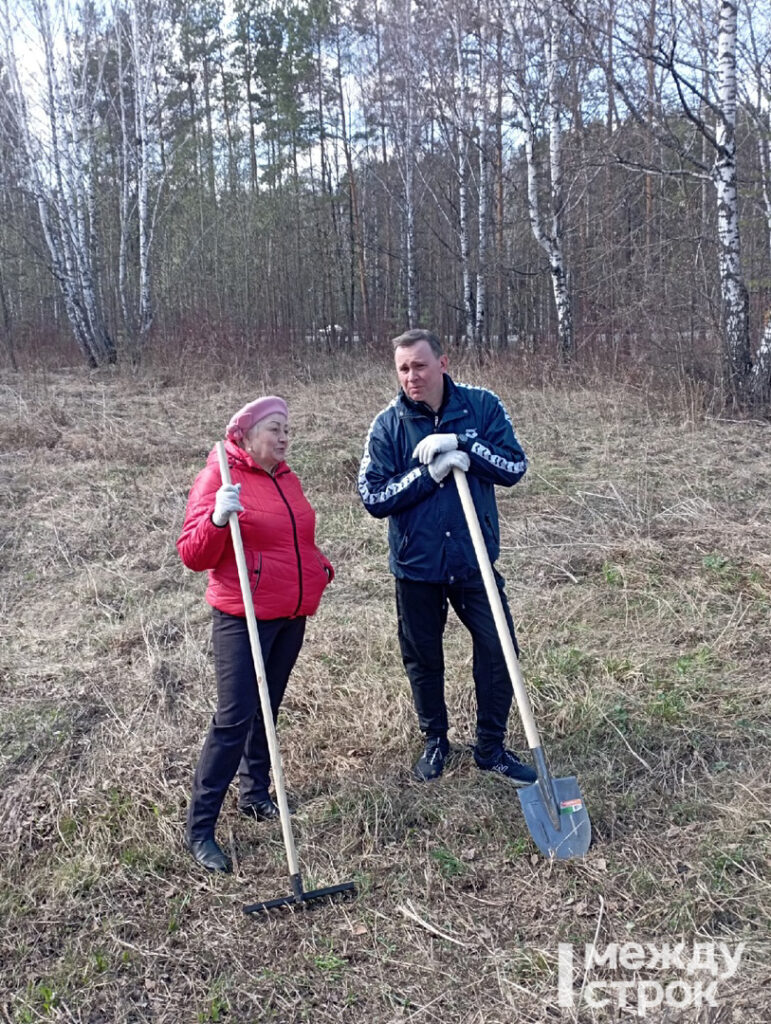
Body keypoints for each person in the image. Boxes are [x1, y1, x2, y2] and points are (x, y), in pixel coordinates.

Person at [358, 329, 537, 785]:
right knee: (423, 655)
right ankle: (436, 740)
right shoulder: (388, 425)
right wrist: (427, 474)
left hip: (472, 558)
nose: (411, 376)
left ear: (443, 362)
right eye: (402, 368)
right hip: (416, 566)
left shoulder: (482, 406)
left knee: (499, 649)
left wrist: (465, 447)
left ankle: (491, 747)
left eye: (419, 365)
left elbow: (515, 466)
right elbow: (373, 496)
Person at [177, 396, 334, 872]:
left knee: (268, 708)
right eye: (274, 429)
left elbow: (294, 537)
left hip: (290, 612)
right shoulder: (220, 476)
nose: (285, 437)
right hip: (243, 615)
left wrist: (319, 566)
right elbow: (192, 554)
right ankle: (200, 828)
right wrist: (217, 518)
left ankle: (255, 794)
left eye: (287, 428)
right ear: (244, 435)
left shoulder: (287, 478)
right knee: (234, 718)